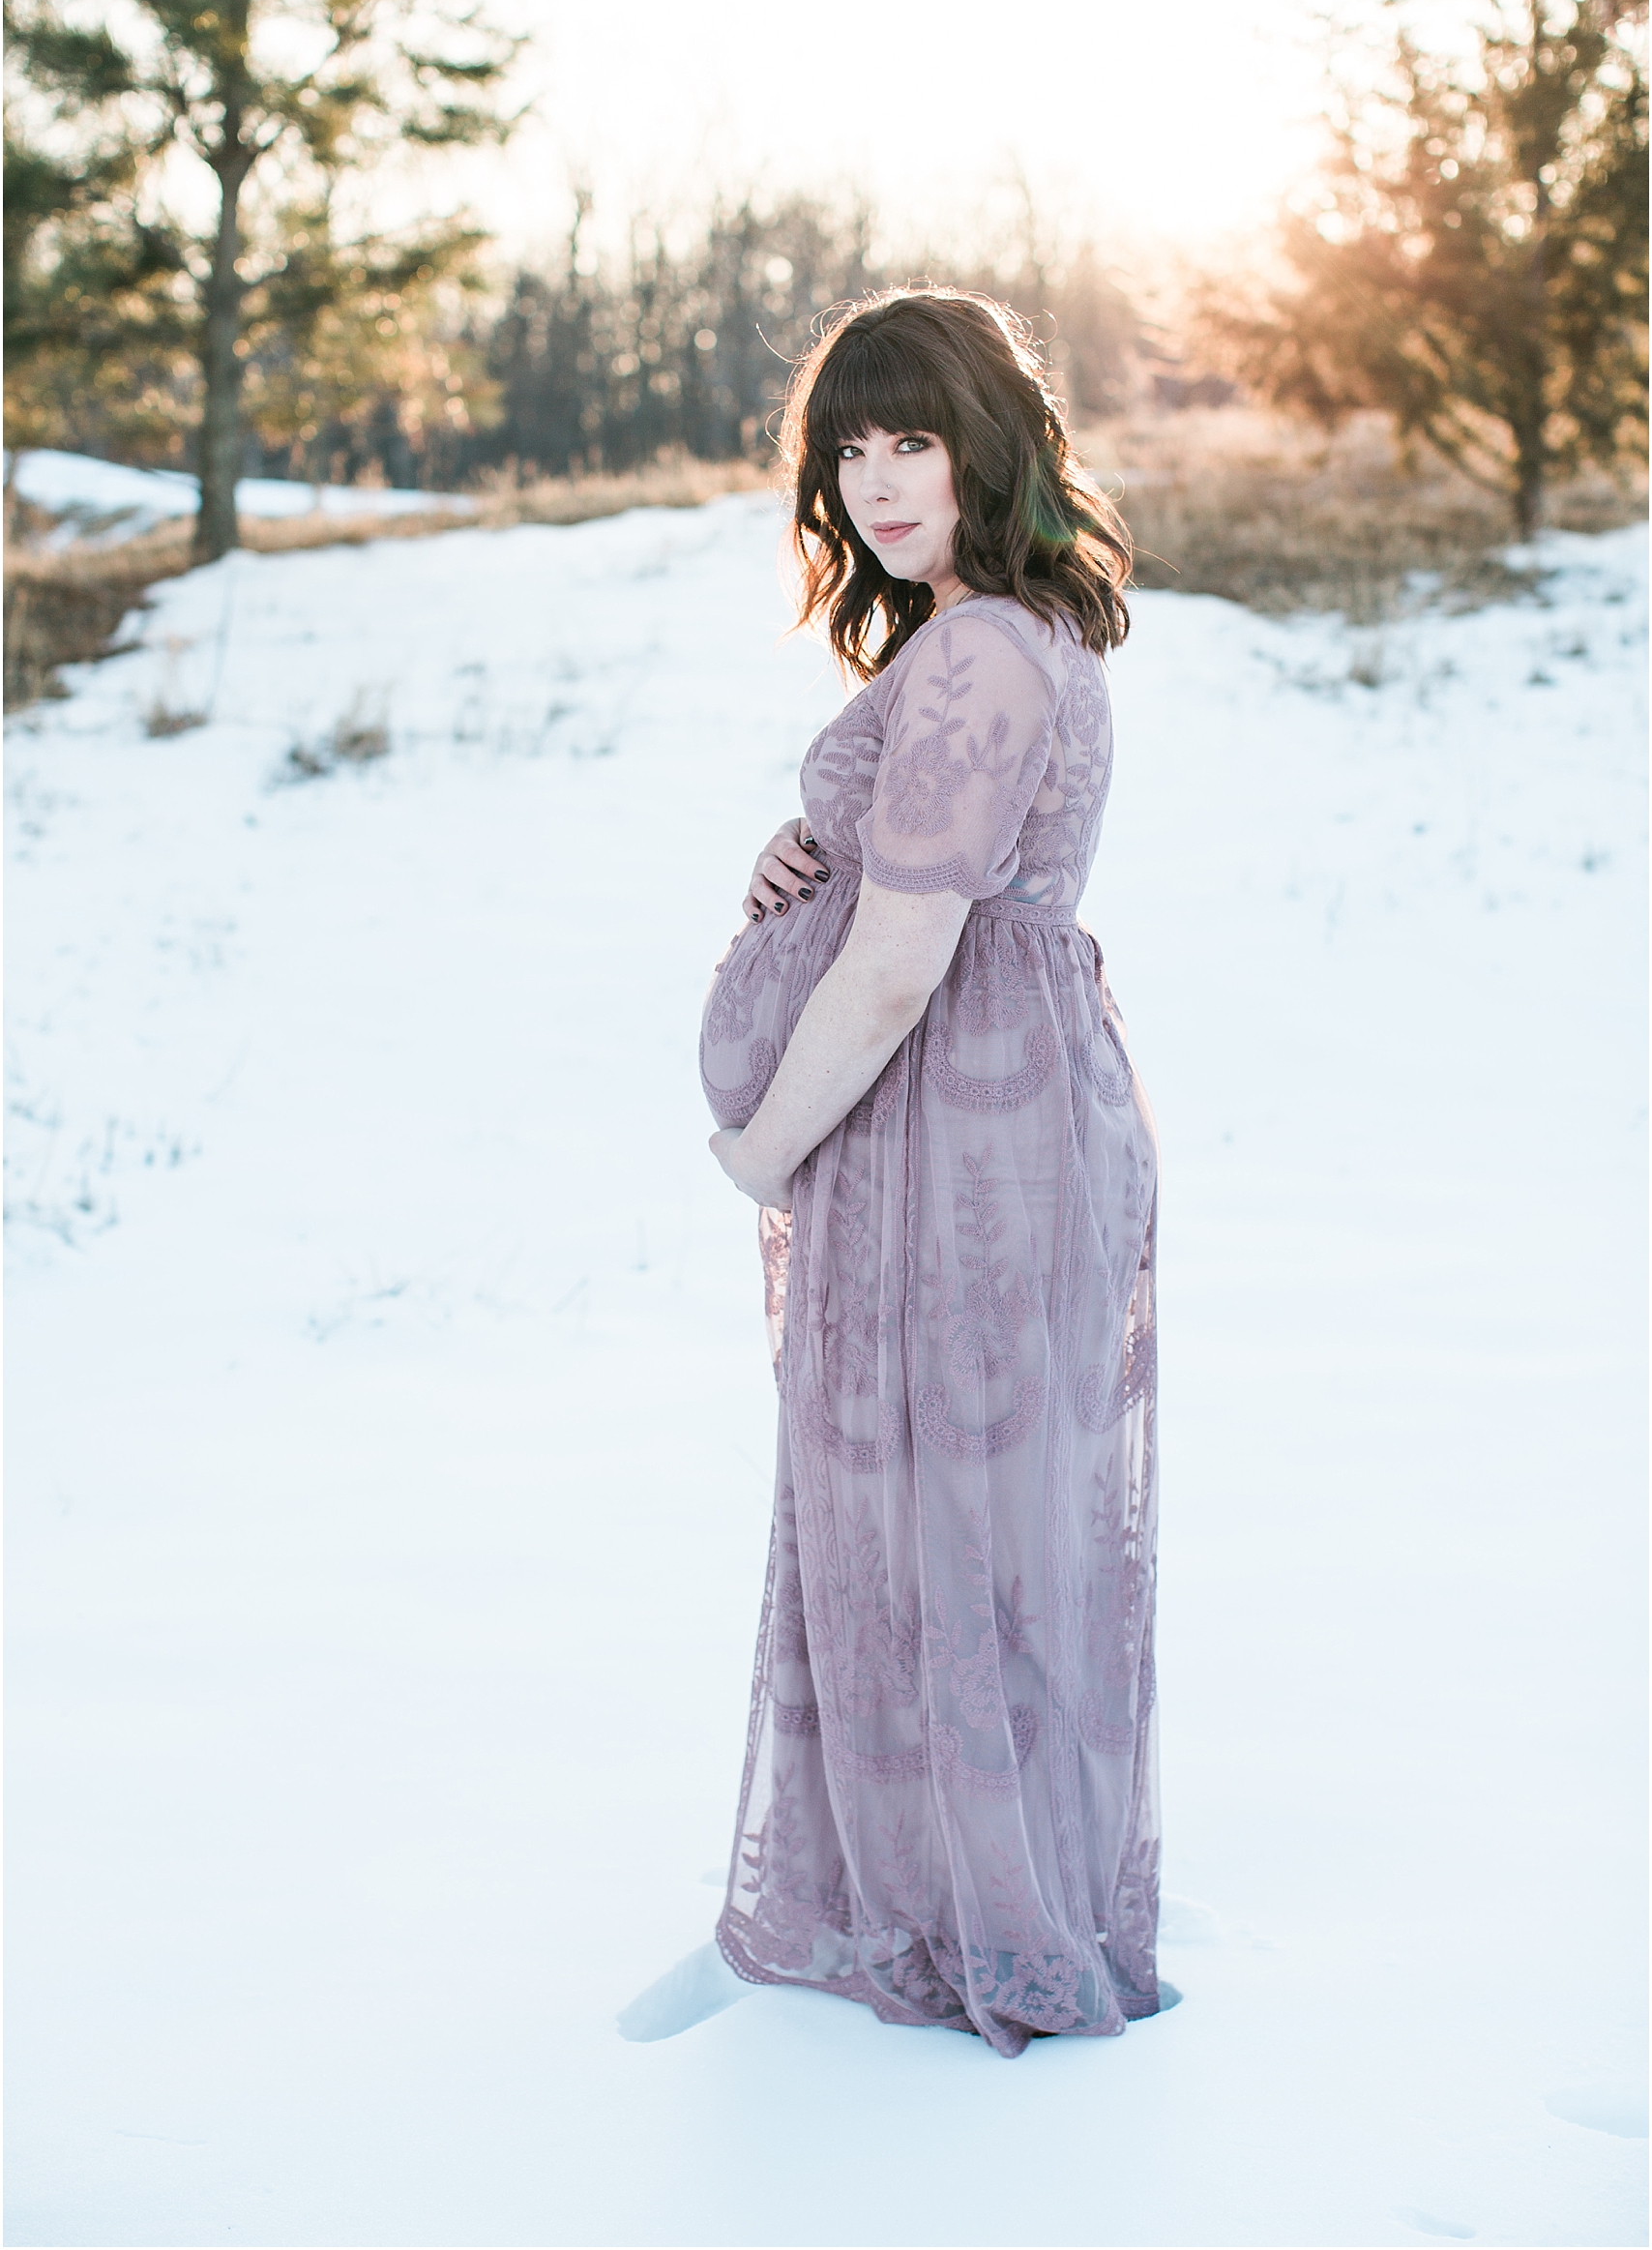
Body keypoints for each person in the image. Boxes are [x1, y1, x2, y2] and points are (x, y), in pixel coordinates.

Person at [701, 289, 1161, 2058]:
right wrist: (816, 841)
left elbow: (901, 960)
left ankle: (972, 1926)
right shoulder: (1013, 633)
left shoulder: (973, 653)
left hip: (951, 1115)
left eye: (915, 439)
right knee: (981, 1520)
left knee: (928, 1517)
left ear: (992, 442)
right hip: (1003, 1107)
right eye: (850, 447)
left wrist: (764, 1142)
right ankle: (992, 1893)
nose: (880, 481)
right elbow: (920, 877)